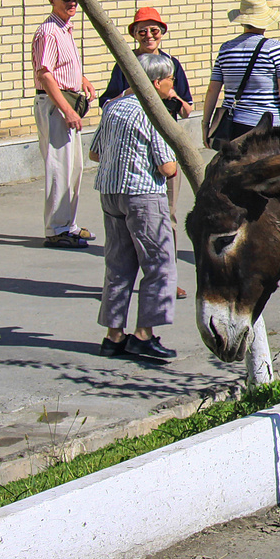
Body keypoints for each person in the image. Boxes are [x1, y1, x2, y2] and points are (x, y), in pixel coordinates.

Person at [90, 52, 181, 362]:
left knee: (117, 265)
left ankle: (113, 336)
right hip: (143, 196)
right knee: (160, 264)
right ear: (155, 82)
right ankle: (144, 334)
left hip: (110, 192)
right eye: (170, 78)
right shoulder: (152, 112)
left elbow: (95, 153)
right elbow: (167, 167)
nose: (174, 83)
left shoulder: (113, 107)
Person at [100, 7, 194, 300]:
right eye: (143, 31)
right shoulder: (125, 64)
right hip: (136, 151)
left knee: (168, 215)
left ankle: (168, 277)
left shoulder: (172, 64)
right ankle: (135, 282)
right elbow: (107, 101)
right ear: (134, 35)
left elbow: (187, 106)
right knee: (131, 223)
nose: (149, 36)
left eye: (155, 30)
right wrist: (131, 97)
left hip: (165, 146)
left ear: (162, 33)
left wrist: (174, 98)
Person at [30, 0, 96, 249]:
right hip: (55, 104)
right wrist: (66, 109)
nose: (71, 3)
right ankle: (56, 229)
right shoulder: (48, 31)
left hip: (67, 98)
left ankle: (69, 223)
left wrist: (82, 78)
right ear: (52, 1)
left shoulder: (65, 29)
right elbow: (45, 74)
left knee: (74, 167)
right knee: (59, 167)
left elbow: (62, 66)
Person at [203, 0, 280, 147]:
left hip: (233, 126)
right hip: (267, 125)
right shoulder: (275, 49)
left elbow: (213, 90)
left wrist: (206, 125)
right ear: (265, 21)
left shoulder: (226, 49)